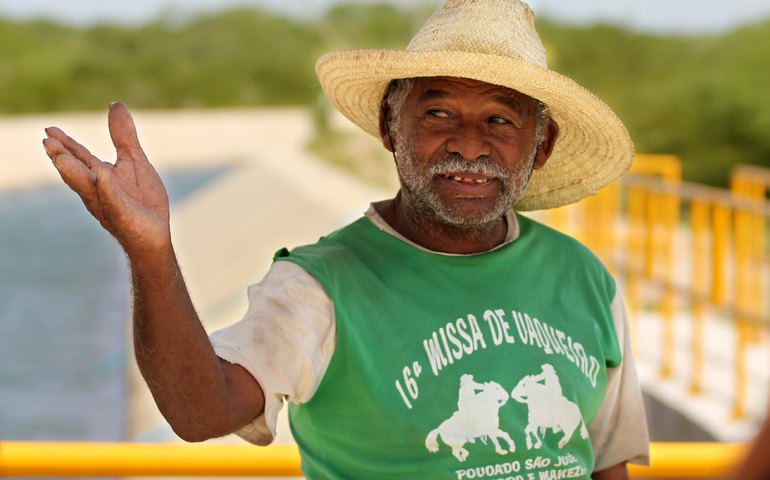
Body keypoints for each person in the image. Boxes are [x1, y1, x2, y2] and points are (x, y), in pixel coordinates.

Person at [42, 0, 650, 478]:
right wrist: (150, 252)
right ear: (391, 125)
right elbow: (203, 412)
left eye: (501, 119)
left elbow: (602, 463)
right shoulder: (319, 286)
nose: (469, 144)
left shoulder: (584, 278)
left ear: (539, 147)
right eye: (437, 114)